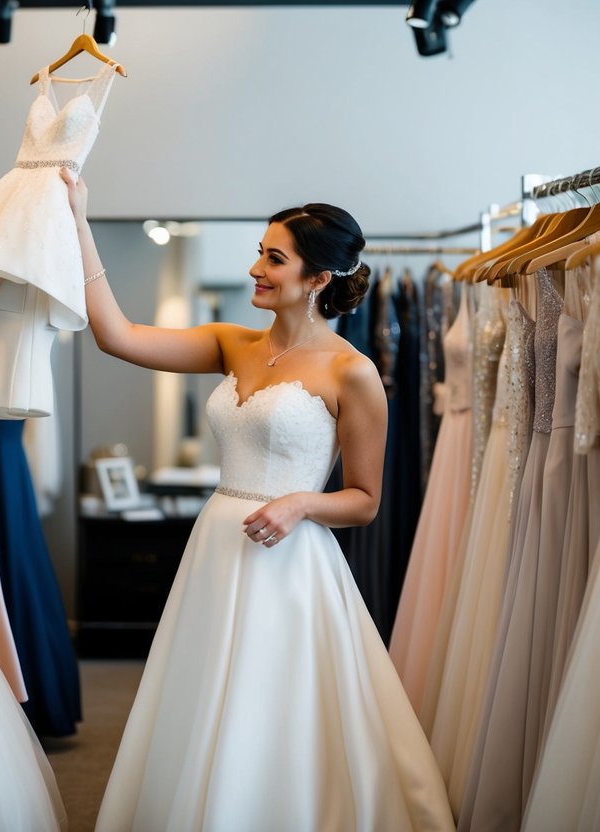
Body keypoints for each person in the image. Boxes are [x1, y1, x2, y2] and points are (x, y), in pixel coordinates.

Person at [63, 169, 454, 832]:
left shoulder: (351, 372)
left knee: (275, 706)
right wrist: (76, 221)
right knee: (203, 697)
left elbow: (363, 500)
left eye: (273, 258)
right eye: (259, 253)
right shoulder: (229, 344)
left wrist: (300, 504)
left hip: (287, 559)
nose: (255, 268)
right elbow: (116, 336)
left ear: (318, 278)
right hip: (215, 547)